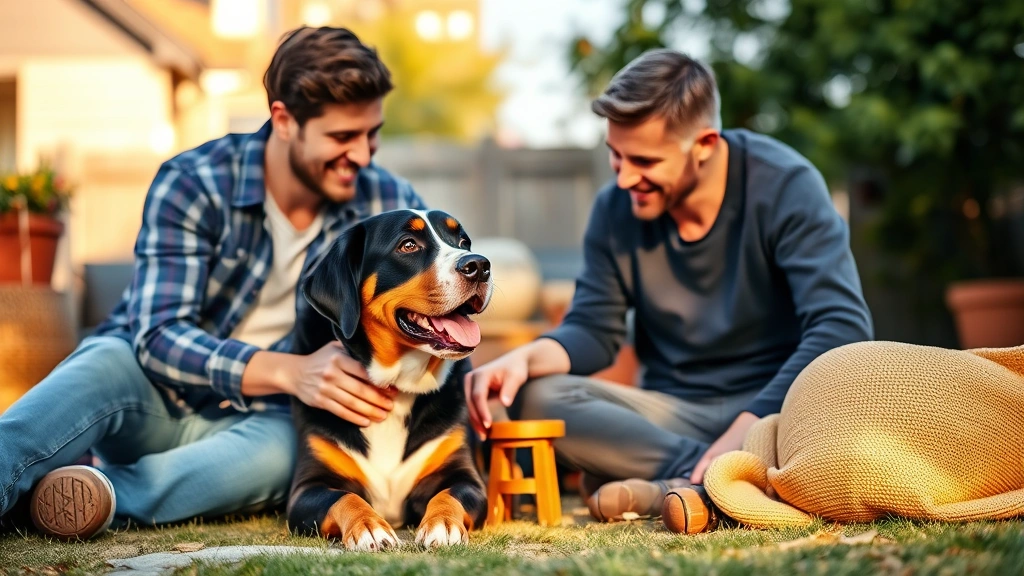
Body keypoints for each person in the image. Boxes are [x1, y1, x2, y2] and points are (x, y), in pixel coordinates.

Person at [0, 26, 425, 539]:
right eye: (341, 137)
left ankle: (92, 495)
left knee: (288, 452)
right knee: (104, 360)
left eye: (371, 134)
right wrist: (291, 371)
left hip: (267, 425)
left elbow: (430, 303)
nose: (362, 155)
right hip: (154, 396)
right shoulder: (195, 181)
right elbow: (157, 335)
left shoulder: (386, 203)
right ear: (284, 121)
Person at [465, 49, 873, 522]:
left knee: (842, 411)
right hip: (670, 410)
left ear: (703, 145)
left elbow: (841, 326)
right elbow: (594, 331)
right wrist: (526, 358)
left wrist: (745, 429)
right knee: (537, 398)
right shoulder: (614, 210)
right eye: (614, 156)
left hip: (774, 408)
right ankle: (715, 478)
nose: (624, 178)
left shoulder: (786, 186)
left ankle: (677, 482)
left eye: (643, 160)